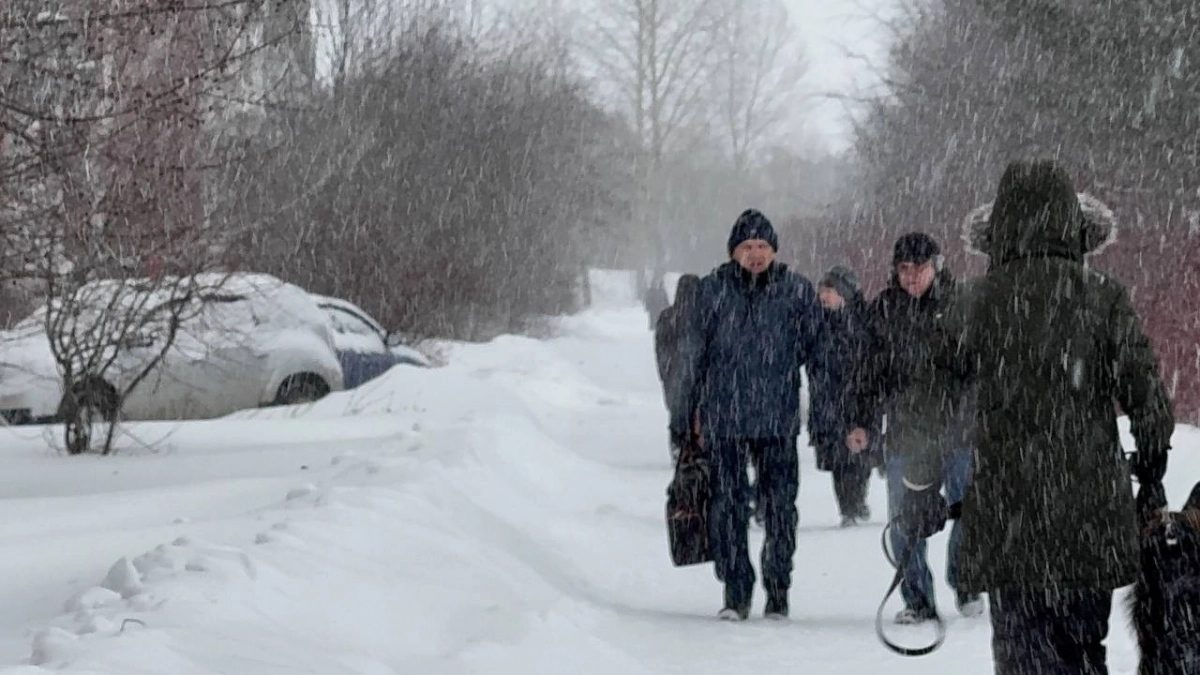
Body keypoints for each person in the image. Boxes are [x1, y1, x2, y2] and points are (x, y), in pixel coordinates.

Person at [904, 159, 1174, 673]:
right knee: (1083, 649)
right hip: (1089, 507)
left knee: (1018, 647)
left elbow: (927, 404)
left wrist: (920, 484)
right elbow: (1148, 397)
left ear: (999, 227)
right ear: (1074, 225)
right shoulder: (1103, 297)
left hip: (1007, 509)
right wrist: (1151, 466)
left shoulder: (975, 302)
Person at [668, 208, 823, 621]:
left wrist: (827, 417)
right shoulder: (711, 292)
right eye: (747, 246)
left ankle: (778, 589)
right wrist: (683, 419)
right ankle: (736, 591)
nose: (756, 254)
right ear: (733, 251)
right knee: (727, 509)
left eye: (763, 246)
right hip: (725, 420)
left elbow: (821, 357)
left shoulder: (796, 292)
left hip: (777, 421)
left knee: (780, 509)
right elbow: (689, 359)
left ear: (774, 250)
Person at [845, 232, 983, 624]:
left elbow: (980, 369)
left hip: (958, 431)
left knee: (968, 510)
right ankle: (917, 598)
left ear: (936, 267)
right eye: (904, 268)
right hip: (906, 433)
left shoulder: (961, 304)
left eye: (919, 268)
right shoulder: (883, 310)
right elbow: (866, 373)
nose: (911, 276)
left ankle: (966, 581)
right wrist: (860, 421)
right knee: (905, 520)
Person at [808, 265, 876, 527]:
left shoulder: (863, 324)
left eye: (830, 290)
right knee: (839, 459)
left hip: (859, 400)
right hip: (828, 400)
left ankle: (857, 501)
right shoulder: (817, 324)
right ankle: (848, 506)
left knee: (859, 455)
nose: (824, 296)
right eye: (822, 290)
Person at [655, 274, 702, 461]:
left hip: (675, 375)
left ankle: (679, 445)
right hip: (695, 375)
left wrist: (665, 371)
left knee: (678, 413)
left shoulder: (668, 316)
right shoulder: (705, 316)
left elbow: (661, 348)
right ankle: (695, 445)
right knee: (697, 412)